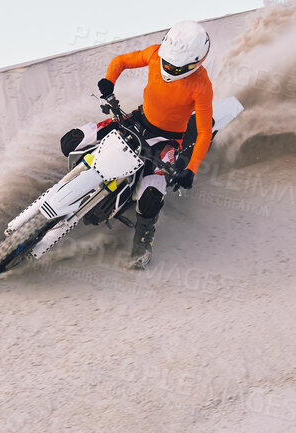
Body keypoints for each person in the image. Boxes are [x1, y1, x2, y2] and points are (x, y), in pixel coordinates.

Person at [60, 21, 214, 269]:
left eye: (177, 66)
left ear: (195, 63)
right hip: (137, 120)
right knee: (70, 141)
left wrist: (191, 169)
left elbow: (205, 131)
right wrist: (109, 80)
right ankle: (70, 184)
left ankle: (143, 238)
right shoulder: (155, 54)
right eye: (167, 61)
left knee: (151, 197)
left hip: (168, 140)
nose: (169, 68)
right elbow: (120, 61)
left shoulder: (201, 85)